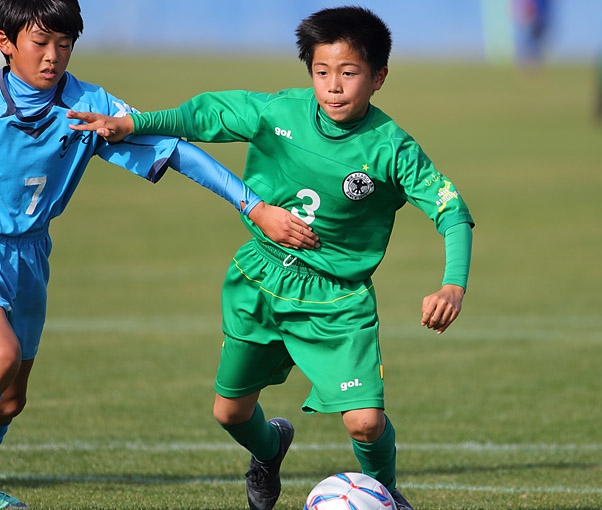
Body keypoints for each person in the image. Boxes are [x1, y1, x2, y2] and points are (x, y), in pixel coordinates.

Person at [69, 6, 474, 509]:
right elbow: (205, 115)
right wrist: (133, 122)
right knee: (230, 414)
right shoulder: (280, 112)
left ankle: (385, 493)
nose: (333, 87)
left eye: (349, 73)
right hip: (258, 279)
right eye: (322, 72)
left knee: (365, 422)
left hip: (336, 299)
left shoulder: (393, 149)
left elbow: (452, 212)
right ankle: (269, 449)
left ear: (378, 77)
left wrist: (453, 284)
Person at [0, 1, 318, 507]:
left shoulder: (87, 105)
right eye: (40, 43)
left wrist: (254, 207)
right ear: (5, 42)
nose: (53, 56)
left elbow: (176, 150)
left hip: (31, 255)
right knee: (3, 357)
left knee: (11, 398)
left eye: (64, 44)